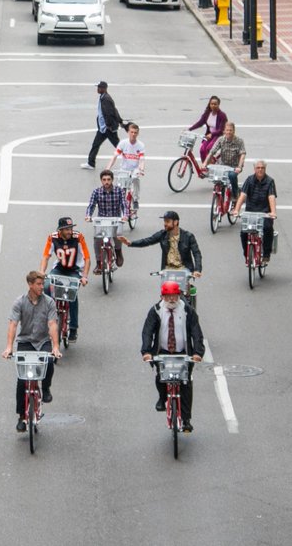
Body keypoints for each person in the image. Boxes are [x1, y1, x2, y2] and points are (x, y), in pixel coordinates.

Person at [2, 271, 62, 433]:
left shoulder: (49, 302)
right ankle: (22, 416)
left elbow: (52, 324)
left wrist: (55, 347)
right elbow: (13, 324)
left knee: (49, 362)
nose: (42, 287)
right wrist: (9, 347)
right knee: (22, 381)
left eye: (43, 284)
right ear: (30, 284)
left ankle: (46, 387)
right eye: (38, 284)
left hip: (43, 342)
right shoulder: (19, 302)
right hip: (26, 342)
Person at [141, 280, 204, 433]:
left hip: (183, 353)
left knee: (185, 383)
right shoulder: (155, 310)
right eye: (167, 296)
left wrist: (197, 352)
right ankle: (163, 398)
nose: (171, 300)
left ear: (179, 295)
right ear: (162, 296)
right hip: (162, 352)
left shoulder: (188, 311)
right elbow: (148, 332)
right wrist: (147, 351)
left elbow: (196, 333)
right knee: (161, 377)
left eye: (174, 296)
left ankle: (186, 420)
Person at [40, 217, 90, 340]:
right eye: (67, 229)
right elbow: (46, 256)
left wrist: (84, 276)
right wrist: (41, 272)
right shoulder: (53, 237)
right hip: (59, 268)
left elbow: (87, 258)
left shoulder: (78, 237)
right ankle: (50, 314)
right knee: (46, 287)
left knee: (72, 294)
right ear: (60, 230)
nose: (70, 231)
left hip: (74, 270)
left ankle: (73, 327)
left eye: (71, 228)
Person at [119, 211, 203, 278]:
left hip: (184, 270)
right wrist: (130, 243)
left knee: (184, 295)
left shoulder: (188, 236)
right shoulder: (163, 234)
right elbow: (148, 241)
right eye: (164, 221)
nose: (165, 224)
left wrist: (197, 270)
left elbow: (197, 254)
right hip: (167, 270)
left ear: (176, 222)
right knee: (165, 295)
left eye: (167, 221)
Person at [232, 160, 277, 265]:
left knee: (268, 229)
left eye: (262, 168)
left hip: (265, 212)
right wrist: (236, 210)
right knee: (243, 232)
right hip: (251, 212)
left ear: (265, 169)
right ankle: (247, 254)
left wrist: (273, 212)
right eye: (258, 168)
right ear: (254, 169)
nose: (260, 170)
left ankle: (266, 254)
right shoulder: (249, 180)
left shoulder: (270, 181)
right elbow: (243, 195)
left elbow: (271, 197)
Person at [85, 169, 128, 272]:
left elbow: (124, 205)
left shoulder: (119, 191)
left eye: (108, 179)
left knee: (118, 235)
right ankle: (99, 263)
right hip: (102, 220)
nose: (106, 182)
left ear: (112, 180)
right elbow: (91, 205)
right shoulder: (96, 192)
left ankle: (118, 251)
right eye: (104, 179)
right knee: (97, 239)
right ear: (101, 180)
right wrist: (88, 215)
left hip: (115, 219)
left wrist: (125, 215)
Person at [83, 81, 123, 170]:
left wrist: (109, 125)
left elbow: (109, 113)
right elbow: (114, 110)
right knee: (95, 144)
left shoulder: (106, 99)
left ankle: (129, 160)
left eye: (99, 87)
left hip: (107, 128)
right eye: (98, 87)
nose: (98, 89)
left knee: (118, 146)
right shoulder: (103, 97)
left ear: (104, 89)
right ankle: (91, 163)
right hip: (103, 128)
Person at [106, 122, 145, 207]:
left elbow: (142, 159)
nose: (133, 134)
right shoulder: (123, 143)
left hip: (134, 169)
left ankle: (135, 200)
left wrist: (141, 169)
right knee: (120, 188)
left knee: (136, 180)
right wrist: (108, 168)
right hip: (124, 169)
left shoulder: (141, 145)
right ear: (128, 132)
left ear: (138, 133)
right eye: (132, 132)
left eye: (135, 132)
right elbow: (115, 156)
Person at [207, 120, 245, 196]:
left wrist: (239, 167)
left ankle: (235, 195)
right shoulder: (221, 139)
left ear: (234, 131)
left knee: (232, 176)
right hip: (222, 165)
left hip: (234, 166)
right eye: (227, 130)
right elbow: (212, 152)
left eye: (230, 130)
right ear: (224, 131)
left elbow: (242, 154)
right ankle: (220, 201)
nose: (228, 132)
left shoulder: (239, 141)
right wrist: (205, 163)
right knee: (218, 181)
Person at [188, 95, 227, 163]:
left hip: (218, 136)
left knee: (209, 149)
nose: (213, 106)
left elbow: (221, 130)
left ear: (218, 104)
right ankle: (204, 166)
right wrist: (190, 129)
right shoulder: (207, 113)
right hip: (209, 135)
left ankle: (209, 164)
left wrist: (212, 134)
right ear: (209, 104)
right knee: (202, 150)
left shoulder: (222, 115)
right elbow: (200, 123)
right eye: (211, 104)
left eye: (215, 104)